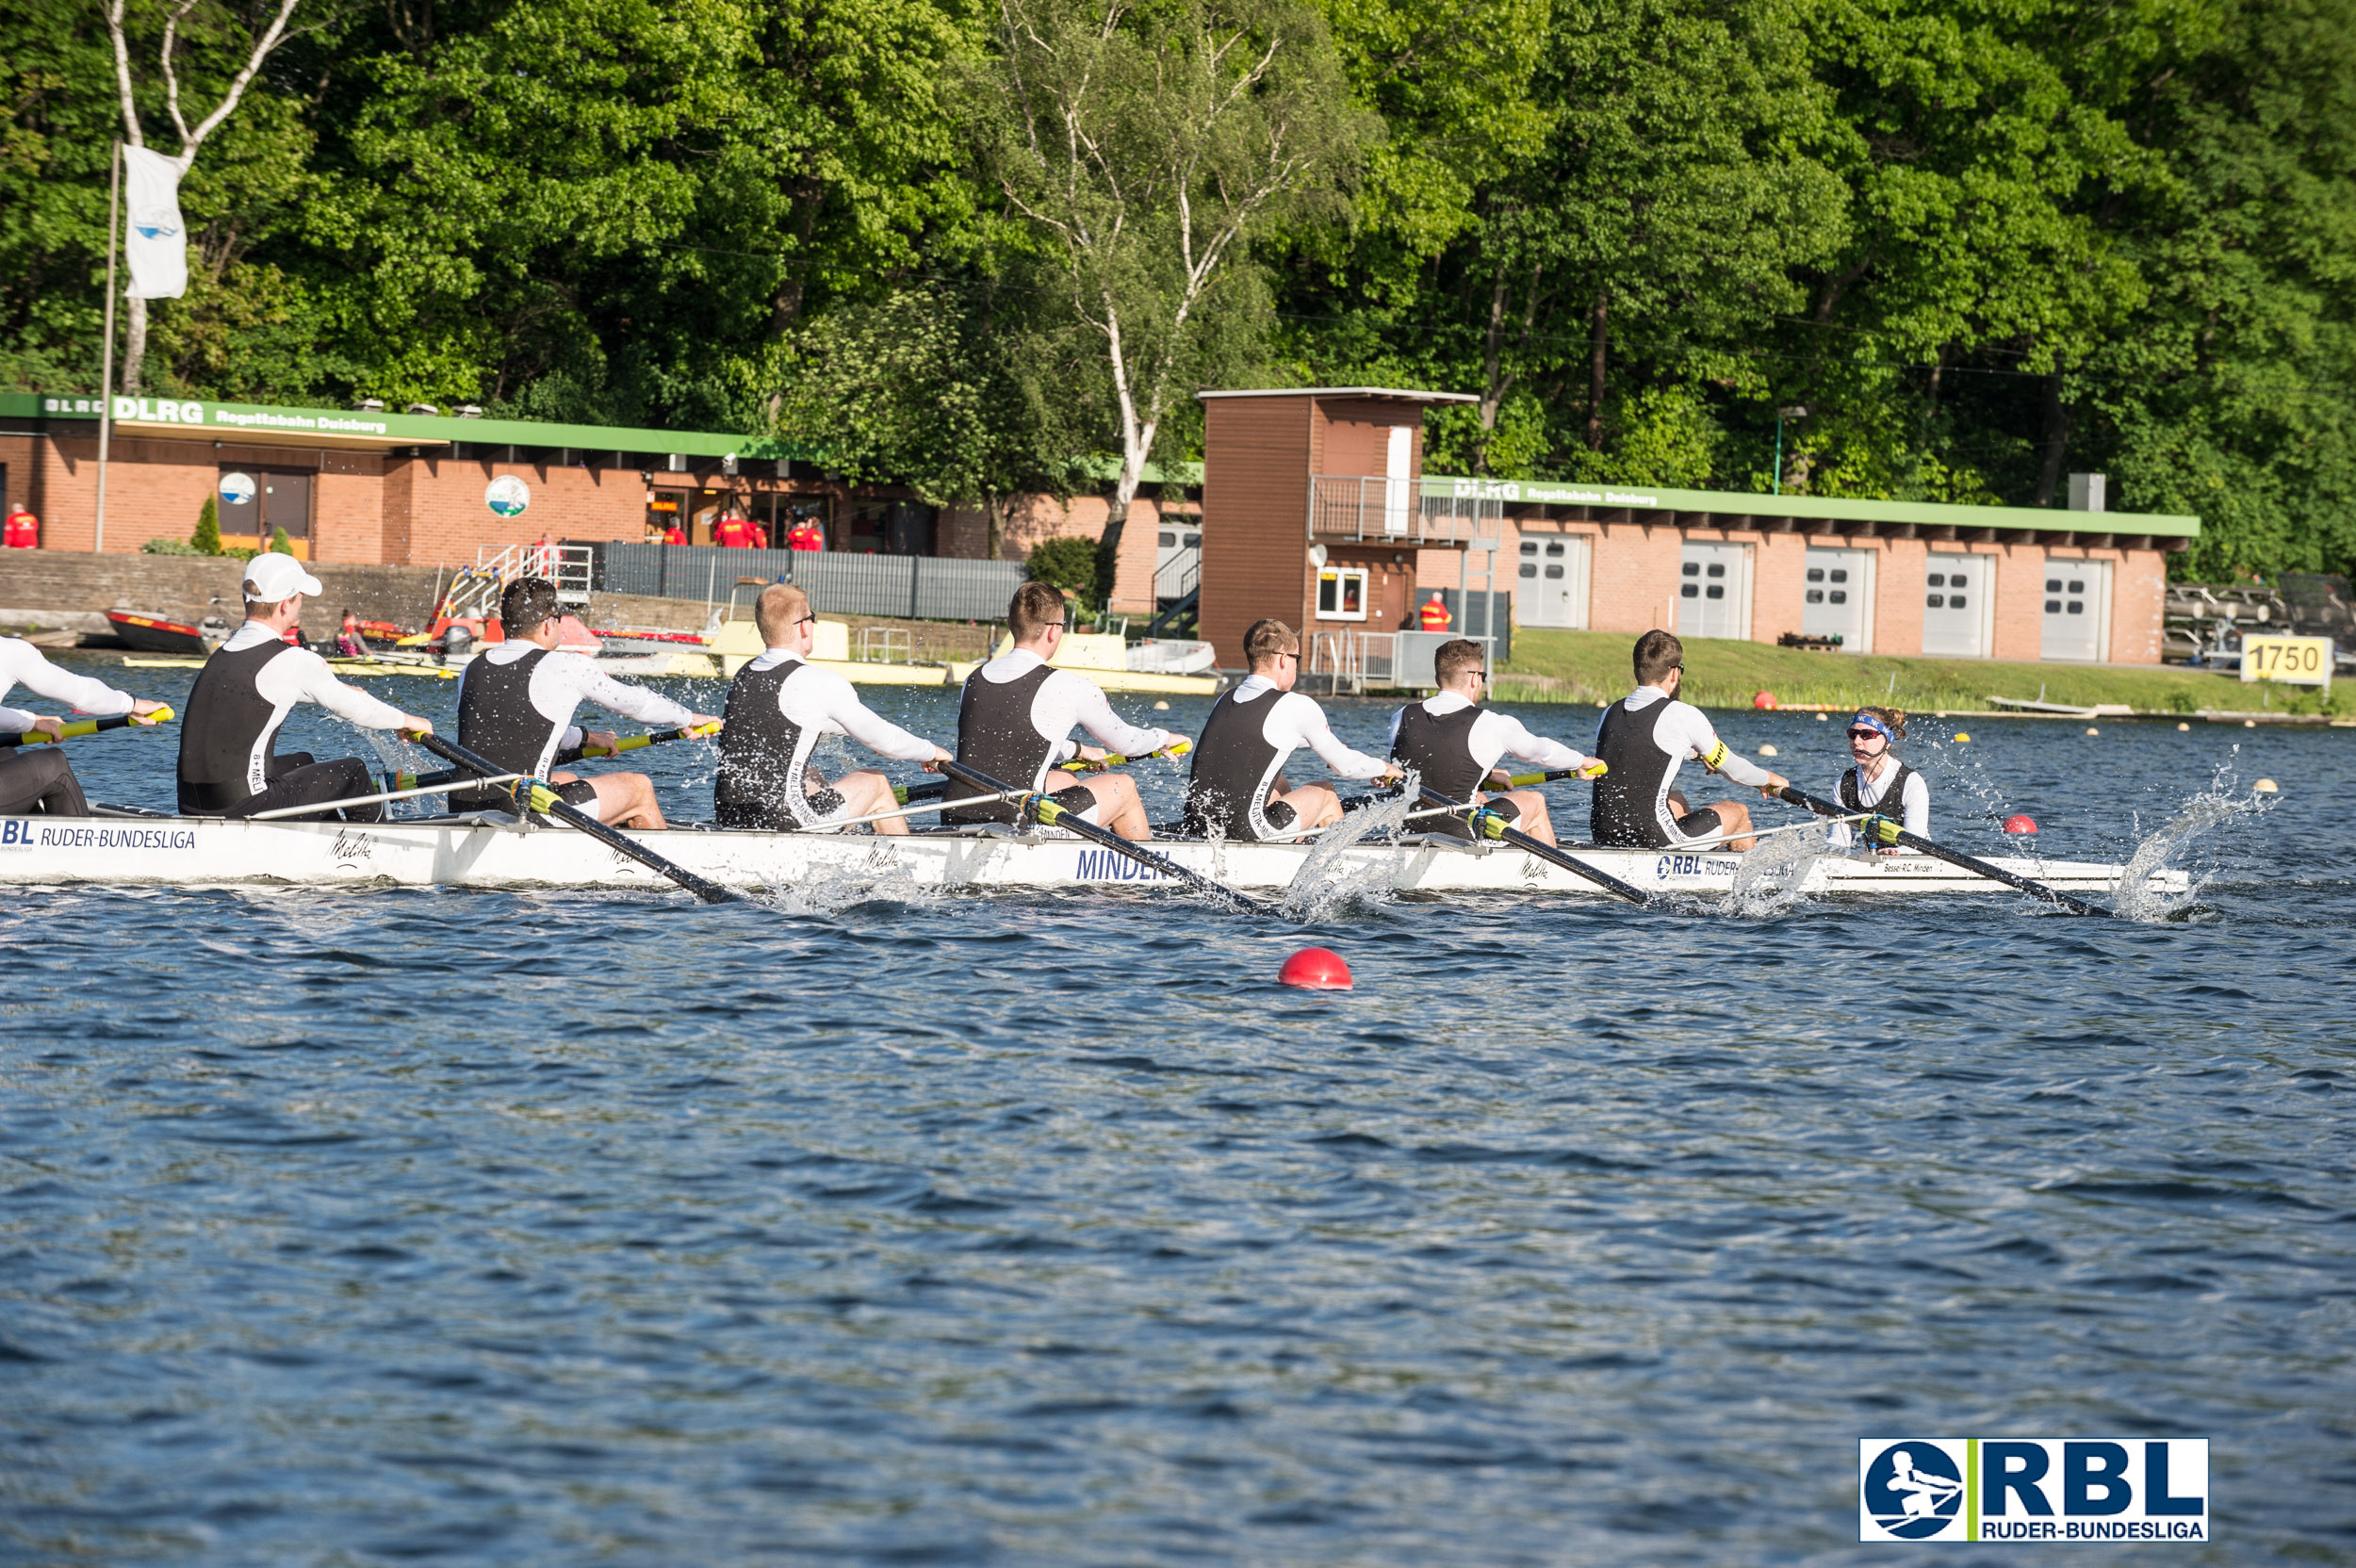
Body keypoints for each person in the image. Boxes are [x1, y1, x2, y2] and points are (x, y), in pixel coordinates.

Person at [177, 553, 434, 820]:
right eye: (300, 599)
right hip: (243, 806)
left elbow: (262, 691)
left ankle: (325, 840)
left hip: (192, 802)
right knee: (353, 773)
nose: (301, 606)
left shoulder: (225, 653)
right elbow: (358, 710)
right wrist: (408, 720)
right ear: (286, 605)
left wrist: (337, 689)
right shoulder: (293, 658)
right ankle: (369, 852)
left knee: (303, 762)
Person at [454, 577, 717, 828]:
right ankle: (652, 869)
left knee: (568, 779)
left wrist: (588, 737)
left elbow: (518, 730)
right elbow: (636, 704)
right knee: (639, 788)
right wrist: (687, 718)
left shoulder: (471, 669)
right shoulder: (567, 665)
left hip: (462, 808)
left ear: (504, 626)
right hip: (524, 812)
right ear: (548, 624)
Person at [942, 580, 1181, 841]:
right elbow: (1129, 744)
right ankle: (1145, 874)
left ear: (1011, 625)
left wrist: (1078, 750)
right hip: (1019, 823)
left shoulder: (974, 679)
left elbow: (1005, 741)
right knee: (1123, 787)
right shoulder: (1070, 685)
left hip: (954, 814)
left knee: (1065, 779)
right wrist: (1165, 738)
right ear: (1053, 632)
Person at [714, 584, 949, 834]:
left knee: (812, 778)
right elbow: (888, 741)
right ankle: (899, 864)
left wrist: (866, 736)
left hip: (731, 817)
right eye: (812, 618)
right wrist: (930, 751)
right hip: (787, 821)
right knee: (877, 781)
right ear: (805, 626)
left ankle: (842, 842)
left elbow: (795, 720)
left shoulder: (742, 676)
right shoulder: (818, 680)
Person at [1183, 618, 1398, 840]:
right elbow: (1346, 766)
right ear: (1284, 659)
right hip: (1250, 830)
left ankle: (1296, 844)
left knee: (1279, 781)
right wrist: (1386, 769)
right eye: (1297, 658)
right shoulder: (1296, 704)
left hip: (1197, 826)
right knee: (1325, 792)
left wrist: (1328, 747)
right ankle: (1339, 870)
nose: (1297, 665)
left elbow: (1268, 737)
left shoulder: (1225, 699)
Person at [1387, 637, 1599, 845]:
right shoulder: (1492, 723)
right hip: (1461, 832)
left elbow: (1427, 765)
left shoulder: (1402, 716)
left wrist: (1488, 774)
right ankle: (1546, 877)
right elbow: (1542, 752)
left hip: (1406, 829)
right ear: (1475, 679)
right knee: (1534, 801)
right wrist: (1582, 762)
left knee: (1479, 797)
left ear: (1438, 679)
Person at [1589, 629, 1787, 851]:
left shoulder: (1610, 712)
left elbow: (1642, 747)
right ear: (1675, 673)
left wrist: (1696, 753)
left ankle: (1696, 860)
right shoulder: (1683, 714)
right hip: (1655, 838)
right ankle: (1744, 880)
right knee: (1739, 812)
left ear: (1638, 671)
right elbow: (1735, 771)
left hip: (1603, 833)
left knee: (1677, 800)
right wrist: (1766, 778)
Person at [0, 636, 170, 816]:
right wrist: (132, 704)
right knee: (54, 767)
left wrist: (33, 722)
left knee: (6, 754)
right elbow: (84, 694)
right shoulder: (12, 651)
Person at [1827, 706, 1927, 852]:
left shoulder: (1911, 782)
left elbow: (1915, 846)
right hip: (1874, 858)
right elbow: (1838, 841)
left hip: (1914, 860)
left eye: (1867, 735)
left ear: (1887, 741)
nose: (1856, 741)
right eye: (1853, 733)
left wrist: (1894, 853)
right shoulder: (1844, 784)